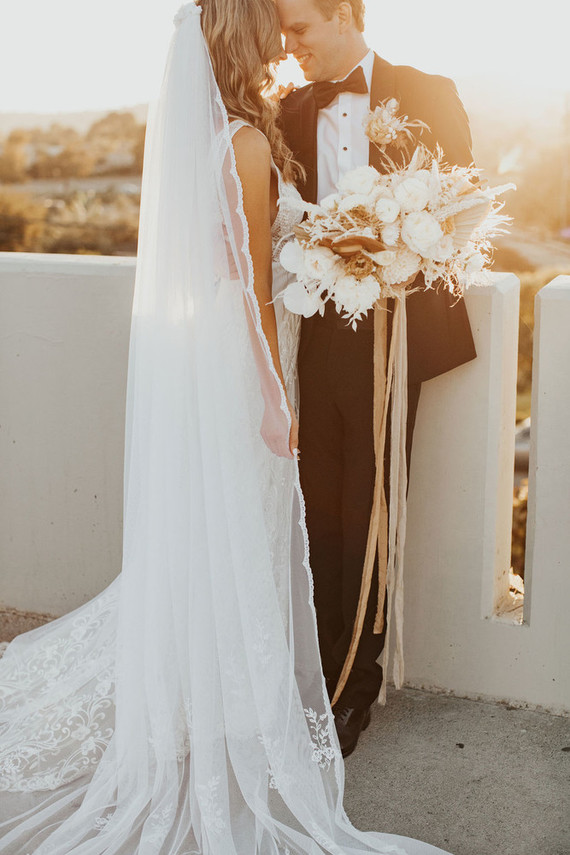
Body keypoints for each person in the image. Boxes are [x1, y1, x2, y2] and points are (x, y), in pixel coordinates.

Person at [0, 2, 454, 853]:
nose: (290, 43)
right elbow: (249, 279)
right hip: (260, 357)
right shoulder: (253, 135)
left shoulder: (284, 121)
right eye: (277, 33)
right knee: (249, 528)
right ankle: (240, 690)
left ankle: (266, 675)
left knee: (256, 527)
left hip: (337, 346)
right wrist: (272, 392)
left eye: (300, 29)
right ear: (246, 43)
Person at [277, 0, 477, 757]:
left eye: (299, 29)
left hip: (391, 335)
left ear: (341, 14)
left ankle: (354, 688)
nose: (289, 47)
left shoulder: (427, 91)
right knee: (317, 502)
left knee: (370, 507)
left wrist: (394, 248)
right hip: (313, 330)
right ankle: (316, 670)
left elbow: (458, 209)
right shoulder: (289, 109)